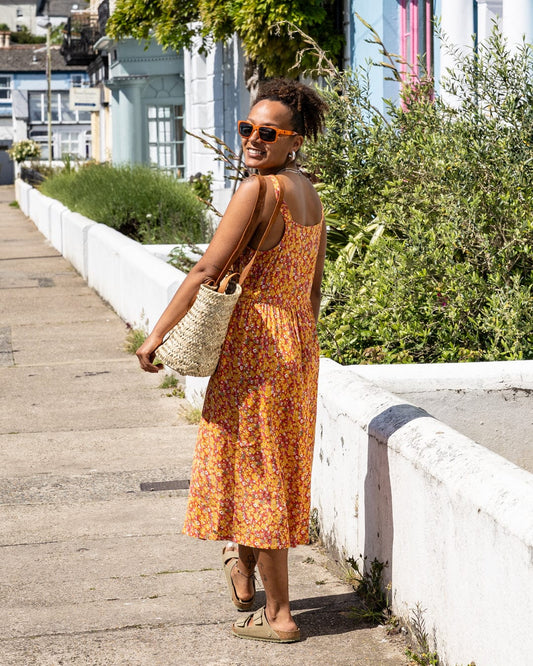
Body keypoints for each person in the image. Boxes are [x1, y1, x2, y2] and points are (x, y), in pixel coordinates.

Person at [136, 78, 328, 643]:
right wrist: (301, 339)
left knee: (258, 474)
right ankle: (242, 574)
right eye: (247, 128)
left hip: (255, 343)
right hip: (297, 343)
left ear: (293, 140)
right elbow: (314, 286)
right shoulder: (309, 192)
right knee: (269, 465)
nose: (252, 140)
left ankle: (279, 615)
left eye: (267, 133)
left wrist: (155, 337)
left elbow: (205, 270)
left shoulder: (258, 190)